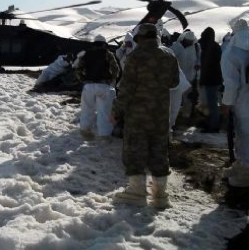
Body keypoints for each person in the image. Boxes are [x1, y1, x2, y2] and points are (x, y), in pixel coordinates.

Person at [112, 24, 179, 208]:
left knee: (135, 150)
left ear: (140, 38)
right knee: (159, 151)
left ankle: (137, 192)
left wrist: (116, 111)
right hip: (160, 113)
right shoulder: (169, 55)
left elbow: (126, 89)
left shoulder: (135, 57)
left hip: (138, 115)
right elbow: (174, 82)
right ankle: (160, 195)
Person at [221, 19, 249, 188]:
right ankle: (241, 168)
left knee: (246, 138)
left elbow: (231, 84)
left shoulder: (232, 53)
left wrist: (226, 104)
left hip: (243, 103)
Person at [76, 34, 120, 140]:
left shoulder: (86, 54)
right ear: (104, 44)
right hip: (104, 86)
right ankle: (104, 135)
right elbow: (116, 69)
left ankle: (85, 131)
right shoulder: (108, 54)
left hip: (88, 86)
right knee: (104, 111)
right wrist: (111, 80)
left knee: (87, 109)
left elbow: (78, 69)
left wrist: (83, 80)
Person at [170, 29, 200, 122]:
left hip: (190, 77)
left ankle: (185, 117)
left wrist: (197, 67)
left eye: (190, 42)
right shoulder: (176, 46)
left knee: (188, 99)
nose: (188, 43)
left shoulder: (195, 47)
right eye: (187, 41)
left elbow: (199, 59)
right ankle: (172, 119)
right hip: (177, 78)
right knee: (175, 100)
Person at [198, 27, 223, 133]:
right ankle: (213, 123)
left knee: (212, 103)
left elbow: (206, 65)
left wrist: (202, 79)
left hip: (210, 79)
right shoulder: (216, 46)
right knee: (212, 103)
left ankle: (213, 126)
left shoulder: (208, 47)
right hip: (216, 77)